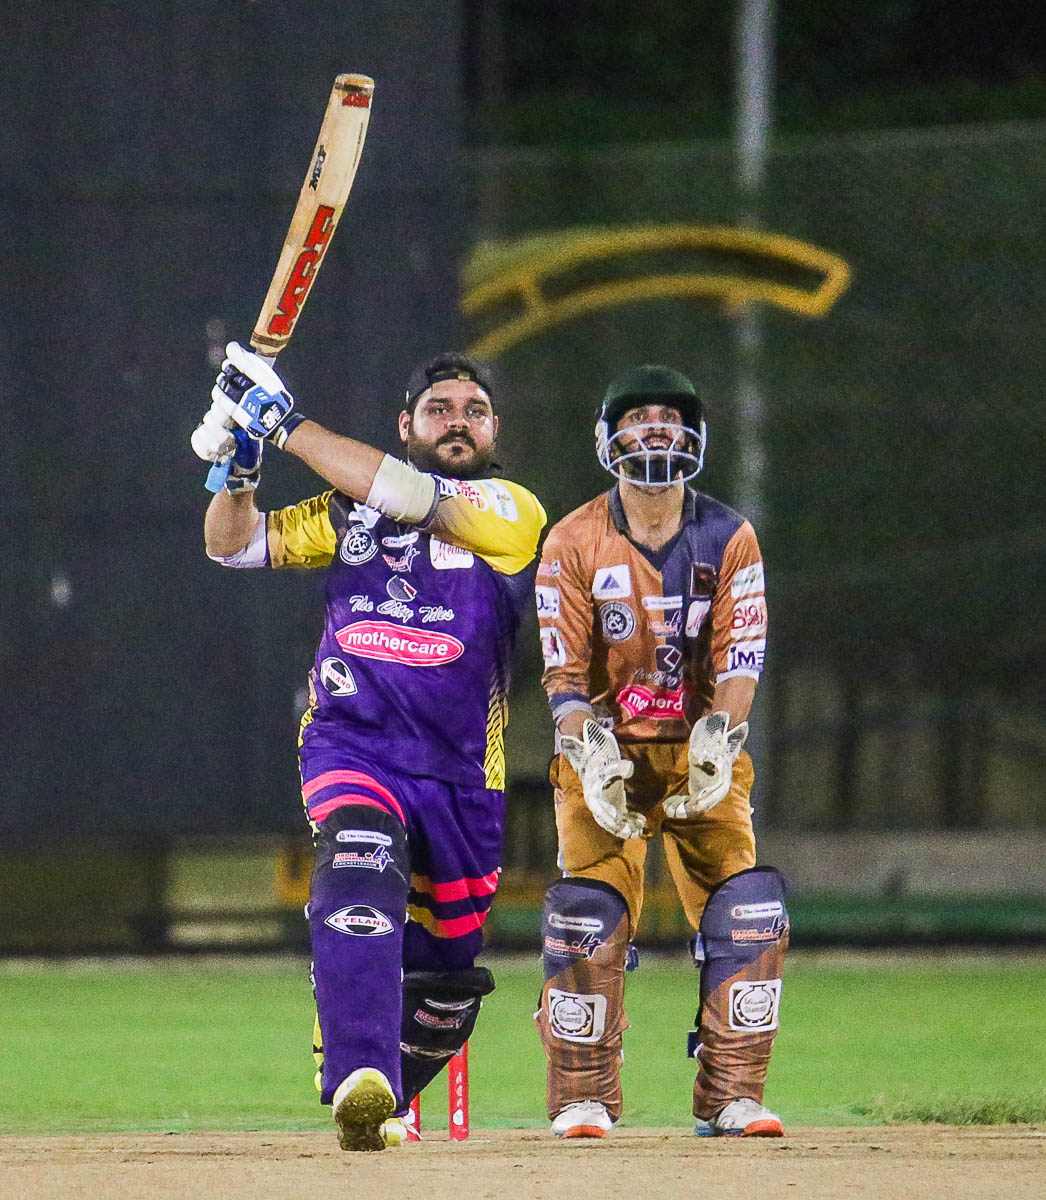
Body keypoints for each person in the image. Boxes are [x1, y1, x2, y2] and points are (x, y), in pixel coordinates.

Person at [191, 344, 546, 1151]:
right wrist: (238, 470)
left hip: (462, 775)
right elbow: (231, 544)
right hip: (352, 743)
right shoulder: (348, 512)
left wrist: (281, 423)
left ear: (495, 431)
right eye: (438, 410)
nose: (457, 422)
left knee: (448, 985)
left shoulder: (511, 511)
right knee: (358, 855)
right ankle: (357, 1070)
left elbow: (409, 494)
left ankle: (381, 1099)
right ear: (405, 424)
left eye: (475, 412)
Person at [533, 365, 788, 1140]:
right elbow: (563, 670)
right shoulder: (572, 538)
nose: (654, 429)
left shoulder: (730, 536)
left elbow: (742, 651)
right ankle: (582, 1096)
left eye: (668, 418)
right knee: (586, 914)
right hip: (604, 753)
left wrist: (720, 737)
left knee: (747, 910)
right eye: (637, 417)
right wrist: (587, 751)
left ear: (694, 435)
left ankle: (731, 1096)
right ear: (608, 437)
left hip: (700, 748)